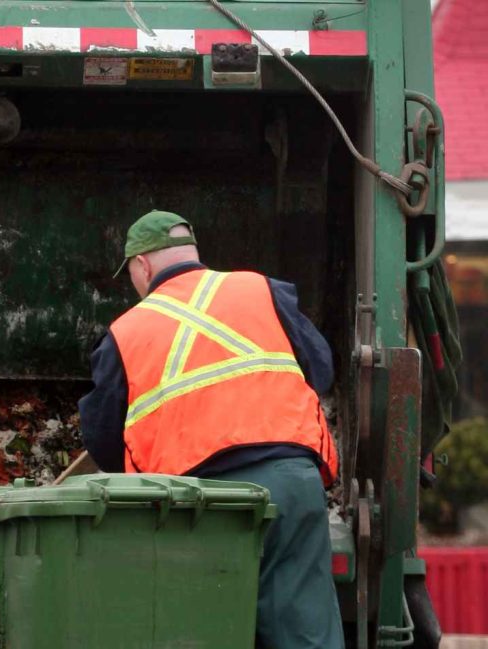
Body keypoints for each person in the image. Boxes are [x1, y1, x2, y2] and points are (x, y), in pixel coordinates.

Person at [79, 209, 344, 649]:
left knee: (203, 626)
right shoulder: (260, 289)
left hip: (197, 504)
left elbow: (104, 437)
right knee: (303, 627)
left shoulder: (126, 332)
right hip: (291, 480)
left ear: (141, 265)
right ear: (193, 253)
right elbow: (322, 367)